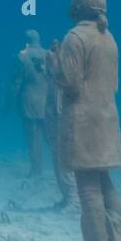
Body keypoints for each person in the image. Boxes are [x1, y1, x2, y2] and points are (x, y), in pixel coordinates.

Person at [57, 0, 121, 241]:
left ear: (78, 7)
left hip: (83, 122)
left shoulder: (75, 38)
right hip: (107, 121)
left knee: (88, 191)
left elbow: (70, 82)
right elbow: (114, 84)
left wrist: (53, 65)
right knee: (107, 187)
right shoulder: (110, 38)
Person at [12, 30, 50, 178]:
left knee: (33, 138)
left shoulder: (22, 56)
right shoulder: (48, 54)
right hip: (47, 101)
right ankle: (60, 168)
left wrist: (11, 102)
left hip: (29, 102)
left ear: (26, 41)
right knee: (50, 137)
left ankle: (36, 170)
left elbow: (17, 82)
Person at [45, 39, 77, 207]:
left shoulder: (60, 84)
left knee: (64, 164)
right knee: (58, 164)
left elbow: (58, 111)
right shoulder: (53, 81)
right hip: (56, 131)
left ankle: (72, 199)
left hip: (62, 132)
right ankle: (67, 198)